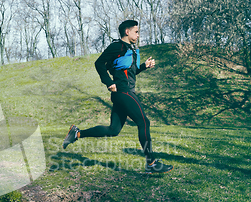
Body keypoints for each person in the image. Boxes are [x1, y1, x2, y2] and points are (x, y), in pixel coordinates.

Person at [63, 20, 173, 174]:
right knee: (144, 122)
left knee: (113, 130)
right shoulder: (117, 46)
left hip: (124, 93)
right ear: (127, 32)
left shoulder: (131, 49)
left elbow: (128, 72)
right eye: (136, 31)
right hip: (123, 91)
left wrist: (144, 67)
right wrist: (108, 82)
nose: (138, 34)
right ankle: (151, 163)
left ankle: (77, 133)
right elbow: (99, 63)